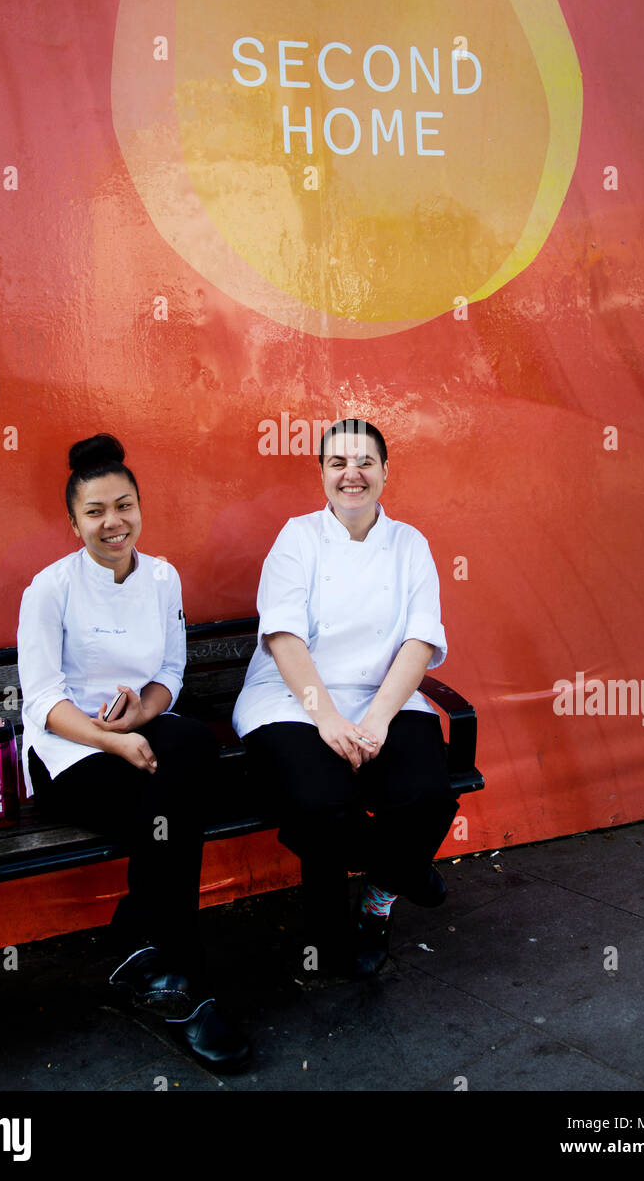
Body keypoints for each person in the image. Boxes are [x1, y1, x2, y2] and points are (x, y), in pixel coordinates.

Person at [17, 433, 249, 1071]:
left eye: (124, 506)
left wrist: (141, 717)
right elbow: (40, 699)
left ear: (140, 509)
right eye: (95, 512)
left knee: (192, 748)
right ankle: (188, 984)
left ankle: (138, 943)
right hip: (71, 749)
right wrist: (111, 739)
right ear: (74, 523)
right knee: (175, 805)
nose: (112, 523)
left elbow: (169, 671)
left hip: (137, 730)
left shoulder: (163, 578)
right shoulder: (50, 589)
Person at [233, 418, 457, 977]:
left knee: (427, 794)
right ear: (322, 474)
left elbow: (420, 638)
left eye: (364, 463)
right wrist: (327, 718)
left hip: (383, 696)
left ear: (385, 471)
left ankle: (380, 897)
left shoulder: (410, 544)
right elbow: (283, 637)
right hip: (291, 698)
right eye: (337, 463)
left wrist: (378, 719)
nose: (351, 474)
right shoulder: (297, 537)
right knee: (321, 804)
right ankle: (404, 871)